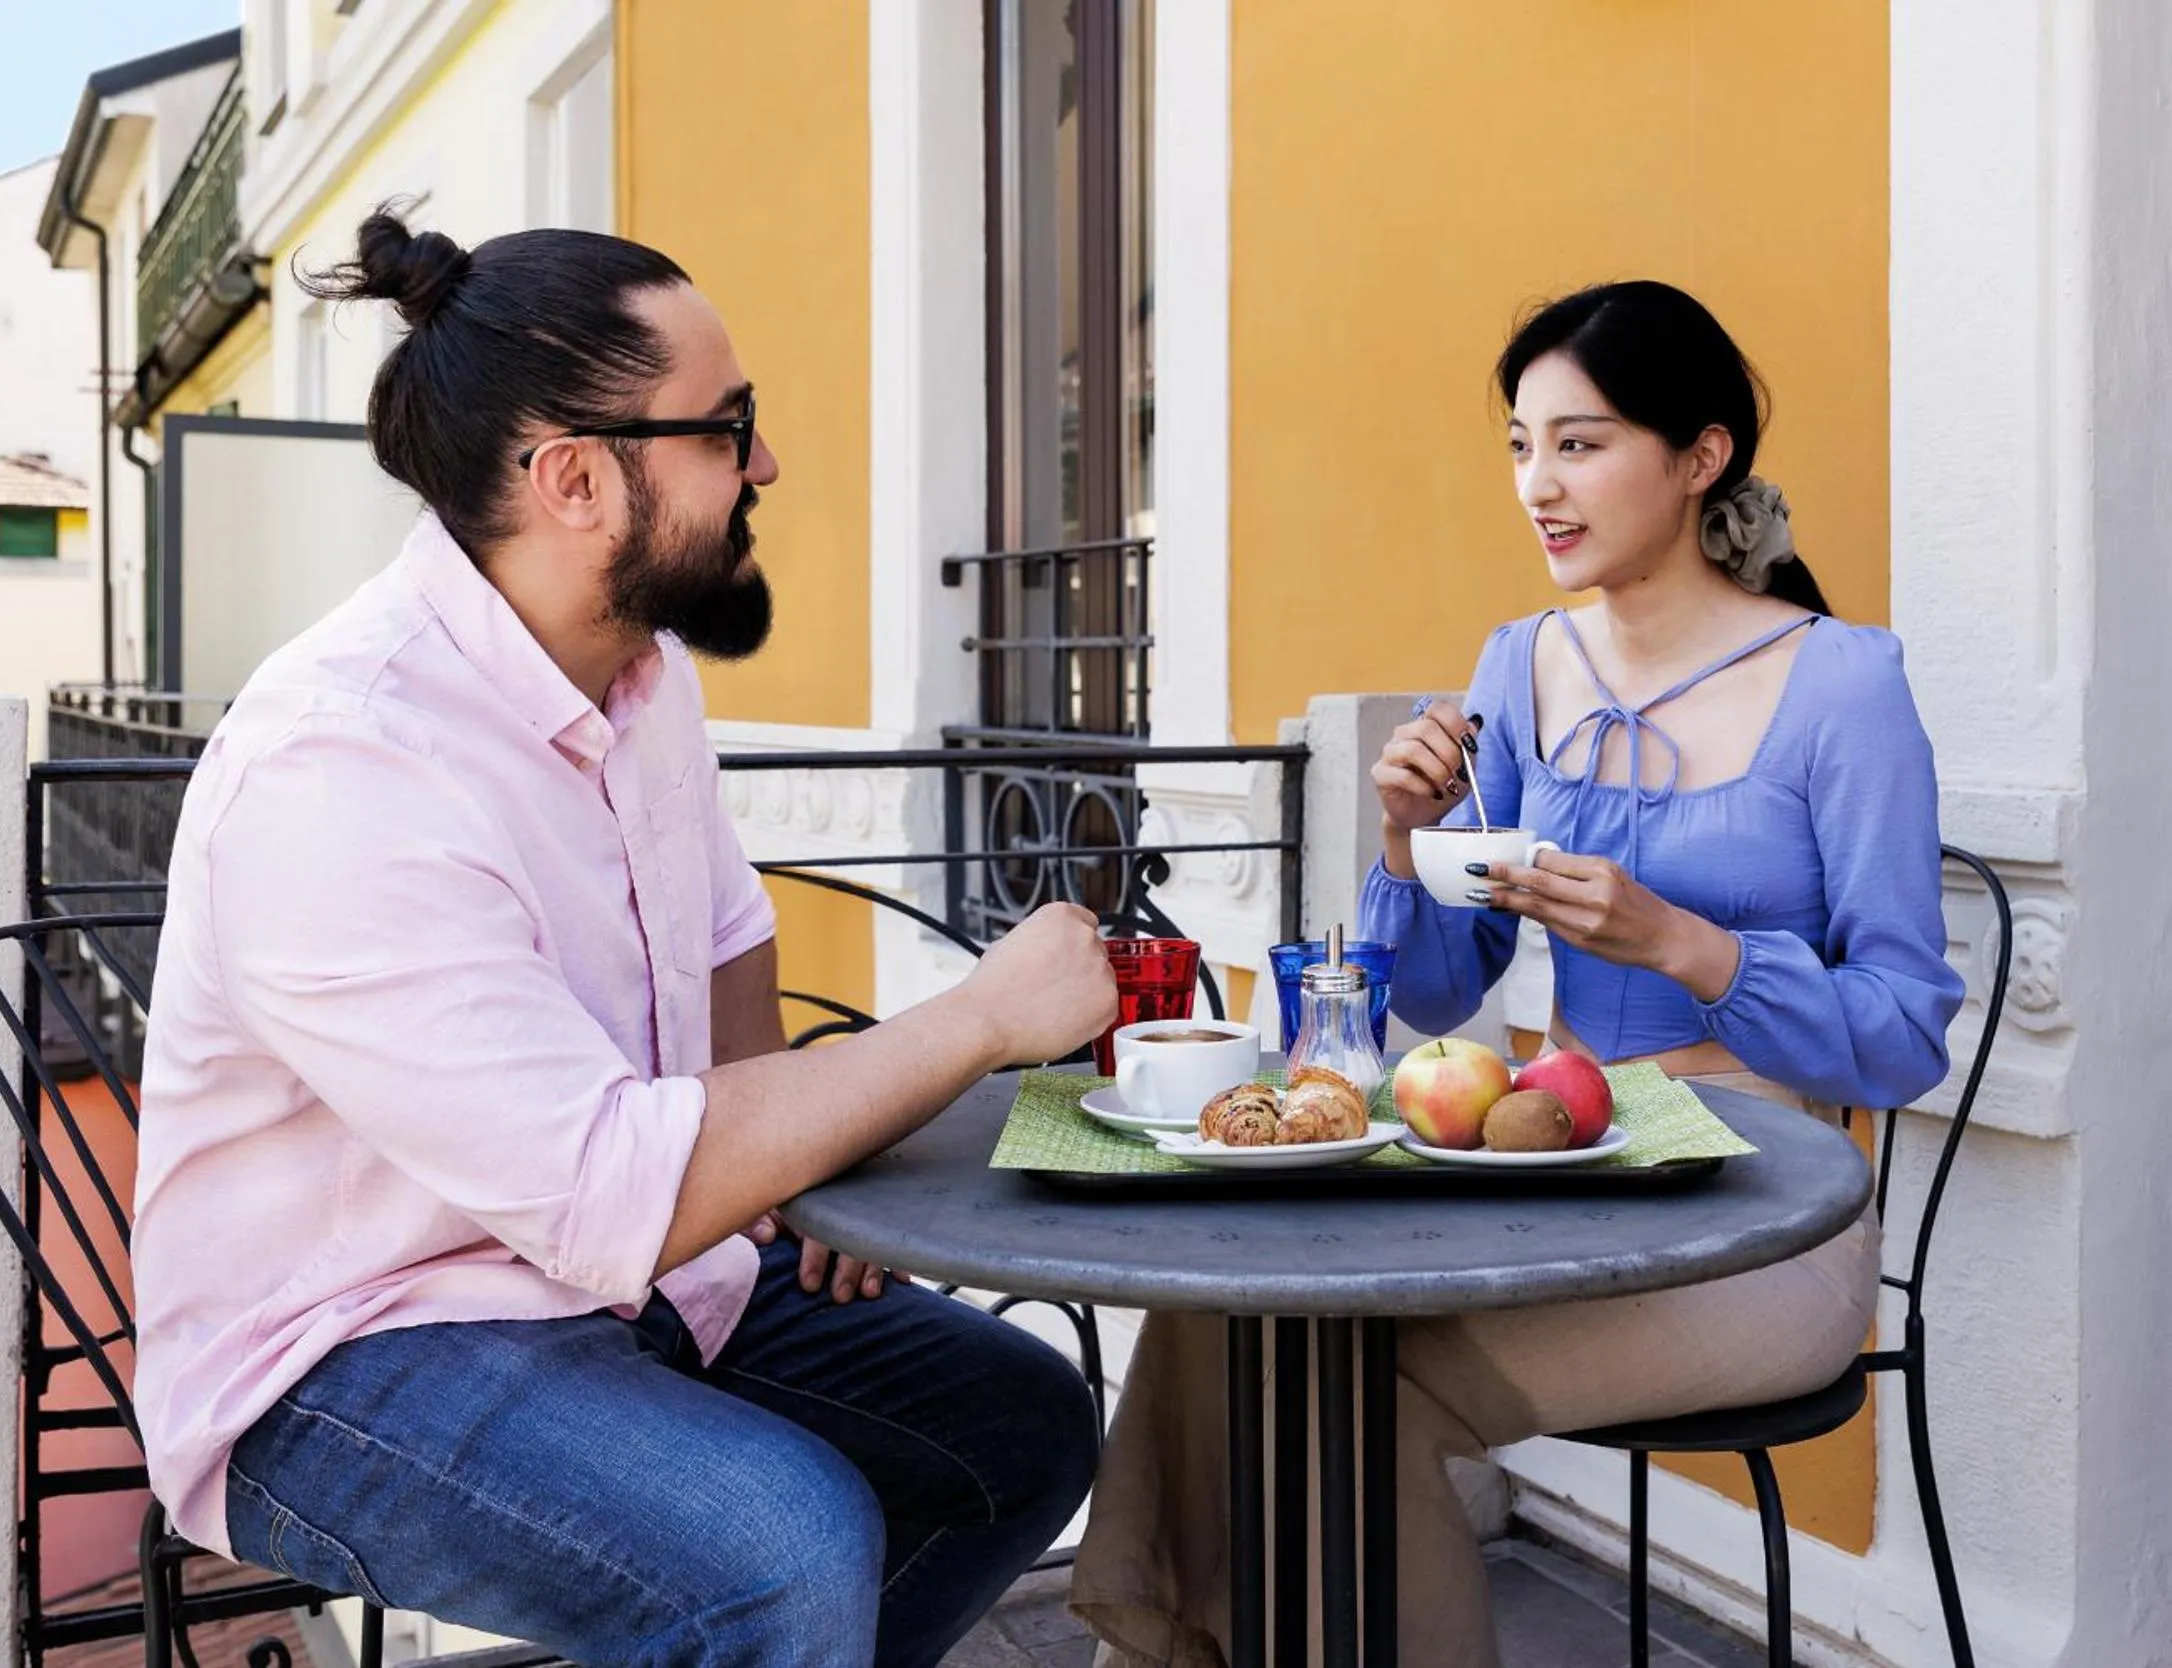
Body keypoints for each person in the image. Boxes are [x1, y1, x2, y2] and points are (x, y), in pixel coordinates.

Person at [131, 209, 1118, 1668]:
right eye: (731, 428)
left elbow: (727, 942)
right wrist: (979, 1019)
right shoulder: (345, 763)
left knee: (1019, 1425)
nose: (767, 464)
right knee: (776, 1552)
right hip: (342, 1356)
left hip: (636, 1273)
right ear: (579, 478)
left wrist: (795, 1176)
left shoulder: (637, 674)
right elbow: (603, 1187)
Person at [1071, 280, 1964, 1667]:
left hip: (1765, 1217)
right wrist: (1407, 837)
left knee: (1338, 1388)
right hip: (1534, 1164)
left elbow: (1905, 1036)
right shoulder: (1519, 663)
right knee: (1228, 1315)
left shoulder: (1841, 684)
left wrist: (1683, 942)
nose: (1538, 485)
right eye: (1520, 444)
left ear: (1702, 457)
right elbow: (1433, 994)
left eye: (1581, 443)